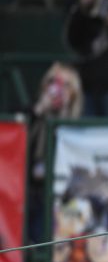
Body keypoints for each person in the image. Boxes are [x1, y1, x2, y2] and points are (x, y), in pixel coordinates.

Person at [26, 63, 83, 243]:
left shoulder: (78, 122)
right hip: (29, 187)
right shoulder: (31, 113)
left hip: (59, 193)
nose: (58, 89)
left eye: (66, 85)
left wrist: (64, 111)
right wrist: (39, 110)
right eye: (53, 82)